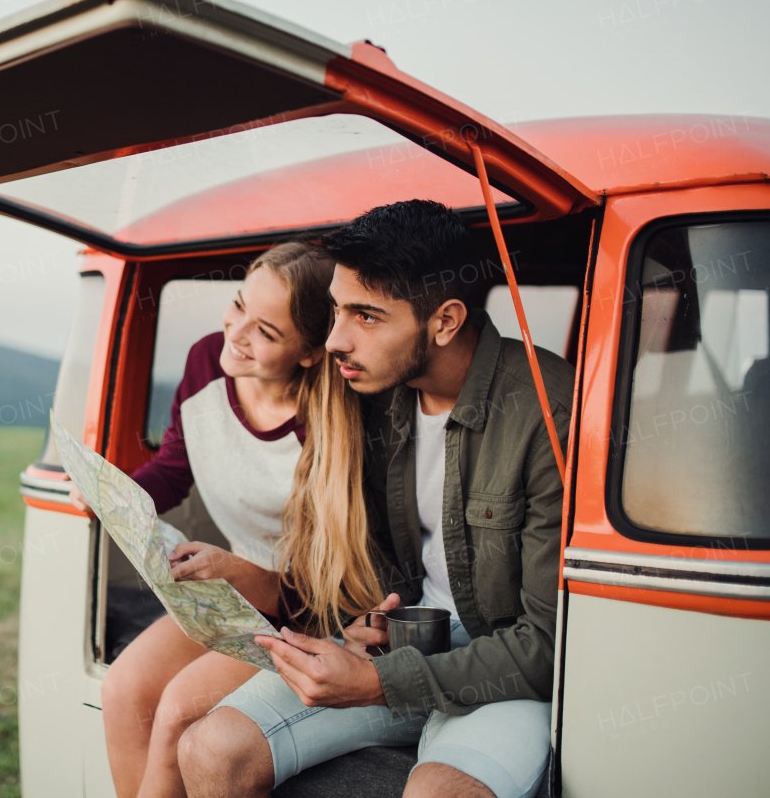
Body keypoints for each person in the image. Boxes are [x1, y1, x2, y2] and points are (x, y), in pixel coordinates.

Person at [178, 200, 574, 798]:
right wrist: (363, 625)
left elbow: (547, 646)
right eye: (337, 310)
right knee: (209, 750)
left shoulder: (548, 411)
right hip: (400, 652)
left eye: (365, 315)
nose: (336, 338)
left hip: (508, 681)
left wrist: (375, 683)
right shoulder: (372, 399)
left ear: (444, 321)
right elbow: (363, 565)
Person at [71, 242, 377, 798]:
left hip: (305, 615)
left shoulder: (328, 428)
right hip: (232, 595)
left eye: (266, 331)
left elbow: (320, 596)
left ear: (310, 353)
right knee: (123, 691)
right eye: (238, 305)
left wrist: (236, 572)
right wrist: (111, 494)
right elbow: (174, 466)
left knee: (175, 718)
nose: (236, 333)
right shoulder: (204, 362)